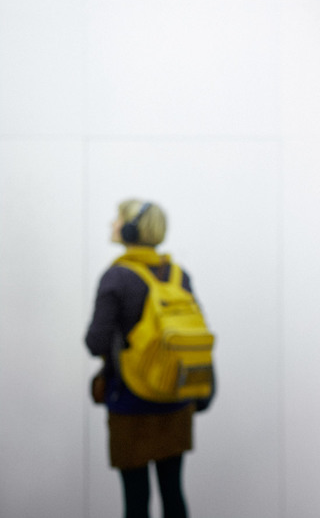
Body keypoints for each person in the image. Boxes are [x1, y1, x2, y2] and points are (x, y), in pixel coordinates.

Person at [86, 199, 208, 518]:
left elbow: (94, 341)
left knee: (136, 500)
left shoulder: (116, 277)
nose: (112, 224)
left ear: (130, 228)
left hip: (131, 403)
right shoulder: (180, 276)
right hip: (176, 399)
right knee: (173, 492)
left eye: (118, 218)